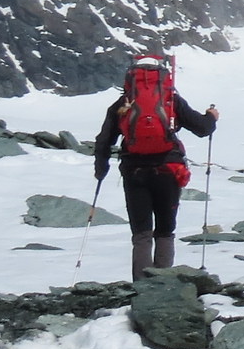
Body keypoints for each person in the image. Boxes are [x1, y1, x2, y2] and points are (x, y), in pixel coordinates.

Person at [93, 52, 217, 282]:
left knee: (141, 233)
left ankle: (141, 285)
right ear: (163, 75)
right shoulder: (170, 99)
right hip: (169, 169)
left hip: (134, 171)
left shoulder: (123, 103)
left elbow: (104, 140)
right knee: (165, 229)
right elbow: (202, 128)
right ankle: (162, 283)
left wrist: (101, 169)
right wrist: (211, 117)